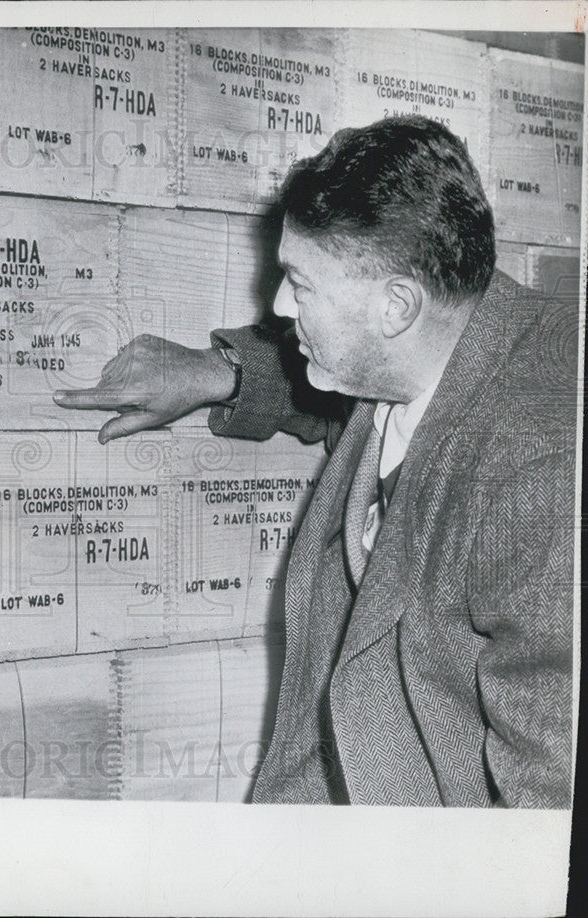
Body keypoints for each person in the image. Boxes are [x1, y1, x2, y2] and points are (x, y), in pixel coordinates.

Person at [54, 116, 577, 807]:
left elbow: (549, 812)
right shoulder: (438, 335)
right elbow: (342, 391)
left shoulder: (539, 477)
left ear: (395, 306)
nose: (276, 305)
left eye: (299, 286)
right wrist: (220, 372)